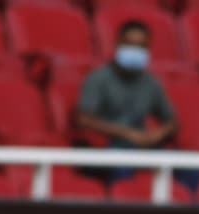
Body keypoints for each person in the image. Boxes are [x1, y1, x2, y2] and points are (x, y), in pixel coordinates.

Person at [74, 19, 178, 187]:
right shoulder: (98, 78)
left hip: (142, 147)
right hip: (108, 147)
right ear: (118, 44)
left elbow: (172, 121)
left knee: (187, 165)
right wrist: (125, 133)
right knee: (123, 165)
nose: (135, 51)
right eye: (130, 45)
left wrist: (158, 134)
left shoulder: (151, 83)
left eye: (141, 47)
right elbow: (83, 119)